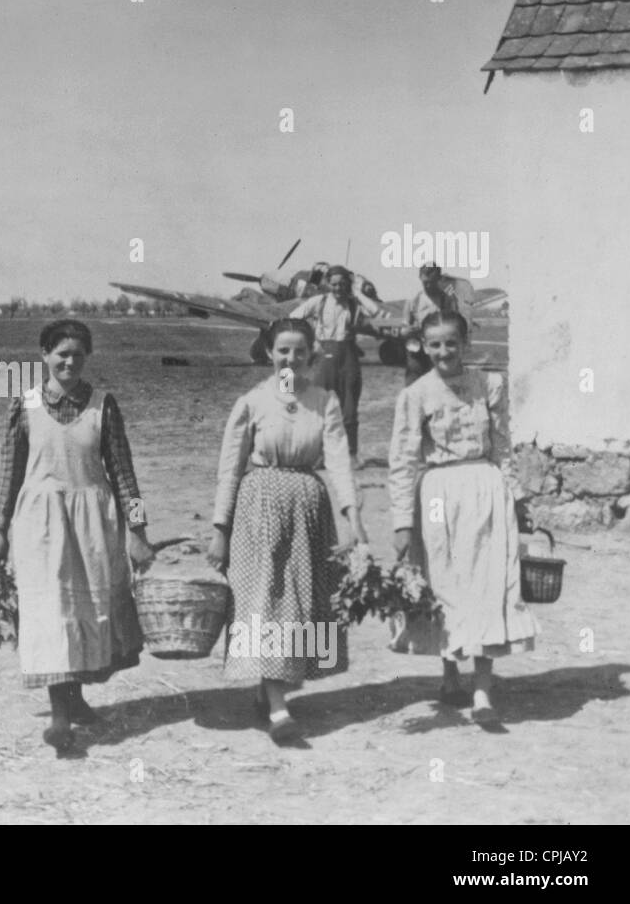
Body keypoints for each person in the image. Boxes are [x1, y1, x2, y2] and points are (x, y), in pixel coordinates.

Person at [0, 320, 155, 754]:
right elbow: (9, 474)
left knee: (85, 609)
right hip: (39, 524)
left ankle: (77, 701)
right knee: (50, 611)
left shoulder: (104, 405)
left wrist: (138, 530)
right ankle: (60, 719)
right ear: (44, 355)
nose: (69, 361)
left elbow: (124, 475)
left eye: (77, 355)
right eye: (61, 353)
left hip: (92, 523)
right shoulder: (24, 405)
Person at [208, 318, 365, 743]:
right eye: (282, 351)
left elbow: (337, 460)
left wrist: (353, 517)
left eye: (299, 351)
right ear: (269, 353)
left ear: (311, 354)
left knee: (302, 601)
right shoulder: (252, 401)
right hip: (259, 507)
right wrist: (220, 528)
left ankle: (269, 687)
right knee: (266, 598)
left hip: (310, 513)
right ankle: (279, 708)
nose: (290, 359)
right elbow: (229, 469)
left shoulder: (324, 401)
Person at [388, 310, 535, 724]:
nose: (443, 351)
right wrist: (402, 521)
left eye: (451, 343)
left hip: (486, 491)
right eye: (434, 344)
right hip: (438, 494)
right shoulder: (416, 395)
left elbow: (503, 446)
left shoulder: (488, 385)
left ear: (465, 344)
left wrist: (515, 496)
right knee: (445, 583)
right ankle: (450, 673)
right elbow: (401, 461)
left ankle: (483, 692)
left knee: (491, 584)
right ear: (423, 346)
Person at [288, 265, 382, 462]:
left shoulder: (354, 304)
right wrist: (310, 341)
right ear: (328, 284)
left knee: (349, 409)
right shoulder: (319, 301)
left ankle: (351, 454)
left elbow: (377, 313)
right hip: (324, 358)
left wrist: (357, 293)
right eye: (334, 284)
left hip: (348, 357)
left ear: (348, 285)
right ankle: (318, 454)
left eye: (342, 284)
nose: (338, 288)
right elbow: (293, 318)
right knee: (319, 408)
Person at [400, 263, 469, 385]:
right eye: (425, 282)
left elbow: (456, 326)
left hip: (440, 350)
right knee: (413, 386)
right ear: (420, 278)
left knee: (443, 386)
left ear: (439, 279)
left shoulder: (448, 300)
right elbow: (403, 331)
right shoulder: (413, 300)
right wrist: (409, 331)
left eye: (431, 282)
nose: (427, 285)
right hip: (417, 351)